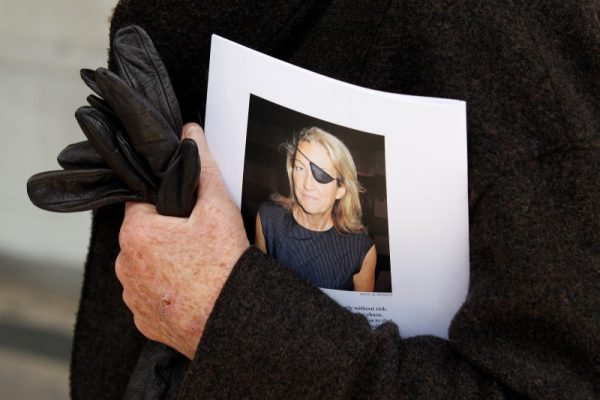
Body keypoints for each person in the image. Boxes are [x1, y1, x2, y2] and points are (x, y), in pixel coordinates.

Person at [69, 1, 599, 399]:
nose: (304, 180)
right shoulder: (274, 218)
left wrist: (220, 314)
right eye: (297, 165)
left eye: (320, 172)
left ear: (343, 184)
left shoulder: (517, 38)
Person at [255, 127, 377, 291]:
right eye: (300, 168)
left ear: (340, 189)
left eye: (322, 174)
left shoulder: (361, 250)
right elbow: (256, 286)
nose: (307, 185)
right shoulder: (268, 219)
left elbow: (361, 314)